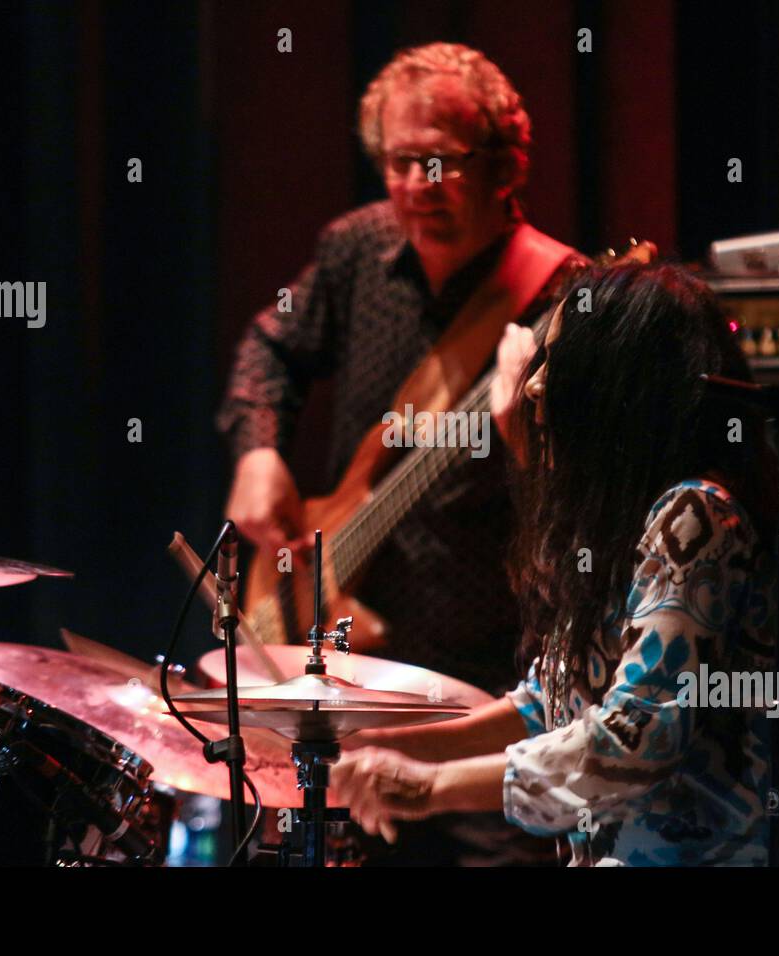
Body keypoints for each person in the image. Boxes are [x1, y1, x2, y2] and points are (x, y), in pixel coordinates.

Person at [332, 262, 779, 866]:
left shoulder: (697, 515)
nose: (532, 387)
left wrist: (426, 788)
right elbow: (544, 706)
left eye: (557, 365)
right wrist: (372, 747)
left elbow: (635, 740)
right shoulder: (618, 527)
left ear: (618, 389)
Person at [216, 43, 584, 864]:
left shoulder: (565, 295)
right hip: (351, 690)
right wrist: (260, 449)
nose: (420, 185)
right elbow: (270, 350)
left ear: (503, 166)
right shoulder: (355, 251)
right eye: (397, 162)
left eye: (443, 161)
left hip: (485, 694)